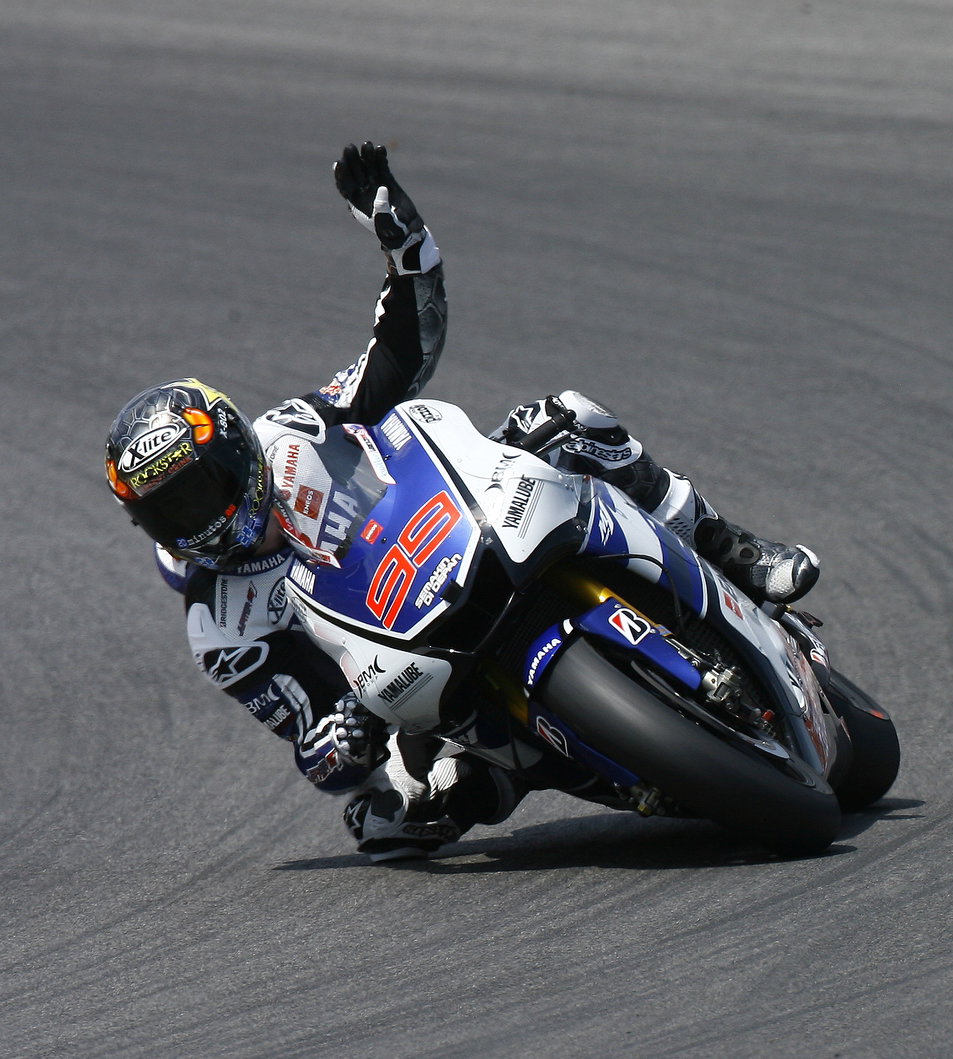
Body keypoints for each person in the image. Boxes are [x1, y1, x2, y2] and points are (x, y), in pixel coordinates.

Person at [105, 142, 820, 861]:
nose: (196, 520)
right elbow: (308, 738)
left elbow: (397, 360)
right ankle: (538, 772)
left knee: (568, 418)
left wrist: (407, 251)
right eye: (170, 512)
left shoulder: (293, 433)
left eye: (200, 491)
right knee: (386, 821)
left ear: (237, 452)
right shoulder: (220, 625)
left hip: (462, 532)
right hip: (411, 681)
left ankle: (730, 548)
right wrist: (339, 742)